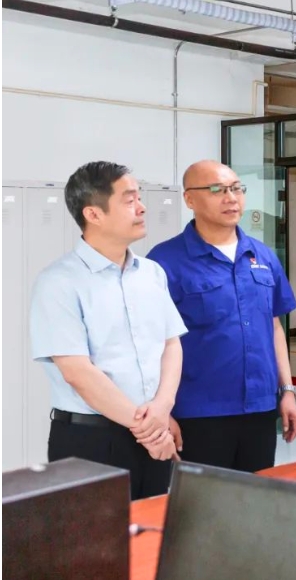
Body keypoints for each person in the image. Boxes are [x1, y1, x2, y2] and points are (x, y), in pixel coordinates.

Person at [30, 161, 187, 500]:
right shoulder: (58, 282)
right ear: (94, 214)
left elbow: (171, 344)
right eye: (129, 200)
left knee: (154, 528)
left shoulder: (152, 273)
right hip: (91, 441)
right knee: (94, 535)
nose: (142, 207)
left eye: (139, 197)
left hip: (152, 430)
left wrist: (162, 408)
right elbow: (78, 373)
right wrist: (149, 430)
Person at [147, 160, 296, 473]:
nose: (231, 198)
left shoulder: (262, 255)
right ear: (189, 199)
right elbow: (148, 343)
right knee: (203, 499)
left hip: (260, 408)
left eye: (236, 189)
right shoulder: (164, 261)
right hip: (198, 413)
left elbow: (274, 327)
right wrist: (163, 410)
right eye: (217, 190)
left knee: (255, 493)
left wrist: (287, 391)